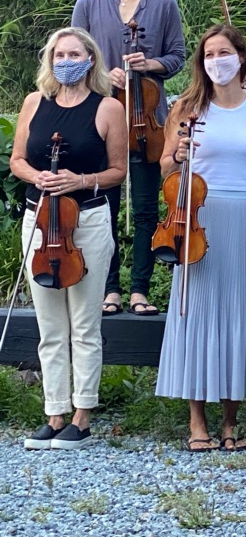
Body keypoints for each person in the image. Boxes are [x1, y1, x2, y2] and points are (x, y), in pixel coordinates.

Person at [155, 24, 246, 452]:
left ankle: (230, 421)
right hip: (198, 217)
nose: (216, 61)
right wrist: (177, 156)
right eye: (208, 55)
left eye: (223, 53)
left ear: (241, 57)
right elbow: (165, 167)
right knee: (197, 313)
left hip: (244, 216)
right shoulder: (187, 108)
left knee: (239, 313)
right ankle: (196, 421)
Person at [11, 27, 127, 450]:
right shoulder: (34, 103)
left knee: (84, 322)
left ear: (90, 59)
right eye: (59, 55)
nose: (66, 61)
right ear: (50, 59)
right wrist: (37, 175)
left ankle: (83, 415)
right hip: (40, 221)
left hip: (88, 220)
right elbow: (18, 160)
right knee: (50, 324)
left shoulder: (108, 108)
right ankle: (54, 412)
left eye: (74, 54)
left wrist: (81, 179)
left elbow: (118, 171)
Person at [71, 0, 186, 317]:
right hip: (102, 120)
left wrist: (149, 63)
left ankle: (140, 289)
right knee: (104, 207)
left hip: (147, 122)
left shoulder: (164, 2)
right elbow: (74, 56)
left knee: (146, 209)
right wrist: (104, 75)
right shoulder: (88, 4)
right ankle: (110, 289)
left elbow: (177, 56)